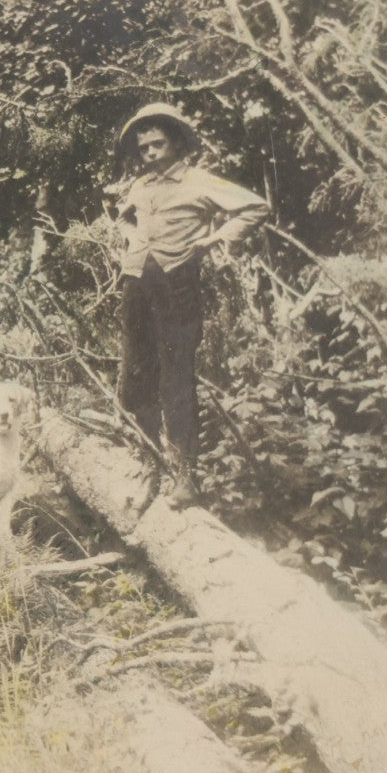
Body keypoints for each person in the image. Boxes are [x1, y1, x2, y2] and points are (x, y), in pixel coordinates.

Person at [107, 103, 271, 498]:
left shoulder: (200, 181)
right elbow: (122, 216)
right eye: (143, 147)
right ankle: (151, 462)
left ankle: (186, 474)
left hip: (177, 284)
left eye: (157, 144)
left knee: (176, 379)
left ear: (176, 143)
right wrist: (131, 239)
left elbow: (256, 206)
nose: (149, 153)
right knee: (135, 378)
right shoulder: (141, 186)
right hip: (136, 285)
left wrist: (214, 238)